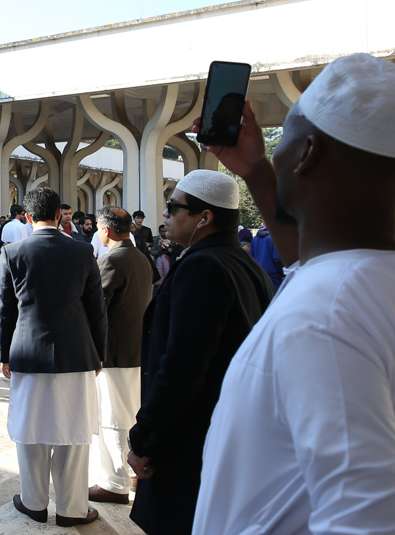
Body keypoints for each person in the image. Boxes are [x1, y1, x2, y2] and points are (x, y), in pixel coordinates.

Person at [194, 53, 395, 534]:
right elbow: (309, 263)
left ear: (306, 153)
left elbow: (372, 521)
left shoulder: (325, 316)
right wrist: (256, 170)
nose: (276, 148)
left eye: (282, 135)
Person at [127, 170, 273, 535]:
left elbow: (182, 368)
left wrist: (145, 439)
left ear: (204, 217)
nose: (164, 214)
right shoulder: (246, 266)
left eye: (173, 207)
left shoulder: (203, 267)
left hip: (190, 440)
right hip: (224, 434)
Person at [0, 187, 105, 527]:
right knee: (74, 431)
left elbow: (5, 311)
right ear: (60, 214)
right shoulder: (83, 251)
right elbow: (97, 310)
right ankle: (73, 509)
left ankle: (33, 502)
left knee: (31, 429)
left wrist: (4, 354)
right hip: (77, 353)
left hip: (28, 353)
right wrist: (99, 353)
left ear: (28, 217)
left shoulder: (12, 252)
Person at [88, 206, 151, 506]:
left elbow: (96, 310)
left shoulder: (111, 259)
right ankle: (133, 473)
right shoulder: (140, 258)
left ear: (106, 229)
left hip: (113, 352)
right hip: (135, 349)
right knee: (130, 413)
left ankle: (114, 483)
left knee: (112, 417)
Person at [247, 222, 283, 290]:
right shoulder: (273, 238)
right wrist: (282, 273)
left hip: (259, 272)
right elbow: (277, 258)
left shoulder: (255, 239)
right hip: (272, 274)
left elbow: (251, 256)